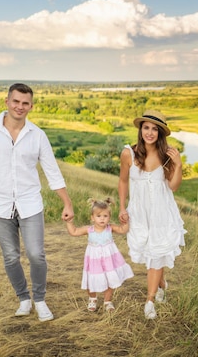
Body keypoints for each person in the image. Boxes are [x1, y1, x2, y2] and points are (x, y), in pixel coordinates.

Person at [0, 82, 74, 322]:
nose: (20, 107)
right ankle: (24, 299)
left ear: (31, 106)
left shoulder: (38, 135)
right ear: (7, 102)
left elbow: (52, 170)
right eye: (16, 101)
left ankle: (40, 300)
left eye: (25, 103)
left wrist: (67, 202)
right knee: (11, 256)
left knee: (36, 254)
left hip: (30, 202)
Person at [118, 109, 186, 319]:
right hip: (139, 213)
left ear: (160, 133)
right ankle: (161, 283)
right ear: (140, 129)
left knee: (156, 256)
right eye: (146, 127)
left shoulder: (168, 155)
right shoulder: (128, 153)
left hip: (162, 213)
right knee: (152, 253)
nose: (149, 132)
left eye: (154, 129)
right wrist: (122, 207)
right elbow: (122, 181)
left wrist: (179, 164)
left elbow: (173, 187)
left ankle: (149, 301)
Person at [65, 198, 134, 312]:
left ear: (109, 217)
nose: (102, 218)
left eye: (105, 216)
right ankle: (92, 298)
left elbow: (123, 230)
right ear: (92, 217)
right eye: (98, 216)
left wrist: (125, 222)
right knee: (91, 279)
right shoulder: (89, 229)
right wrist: (69, 222)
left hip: (109, 260)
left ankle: (108, 301)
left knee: (109, 278)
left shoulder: (110, 228)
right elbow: (74, 232)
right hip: (94, 261)